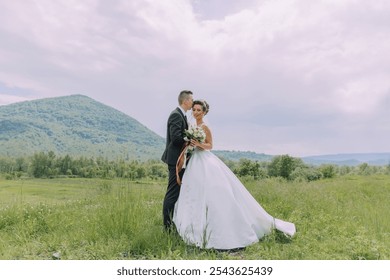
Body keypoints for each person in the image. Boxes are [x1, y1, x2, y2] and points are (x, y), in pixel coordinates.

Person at [173, 100, 296, 250]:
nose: (196, 112)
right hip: (194, 162)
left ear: (204, 112)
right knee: (193, 191)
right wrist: (190, 144)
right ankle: (191, 228)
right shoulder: (191, 126)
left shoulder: (205, 127)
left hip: (205, 160)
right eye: (194, 109)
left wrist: (198, 144)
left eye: (199, 110)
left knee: (213, 191)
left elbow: (210, 145)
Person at [161, 90, 194, 230]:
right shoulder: (176, 115)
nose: (192, 102)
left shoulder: (182, 115)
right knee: (172, 192)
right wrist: (189, 140)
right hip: (175, 160)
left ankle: (174, 222)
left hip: (179, 159)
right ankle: (167, 226)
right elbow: (175, 139)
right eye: (191, 100)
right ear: (185, 101)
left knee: (177, 191)